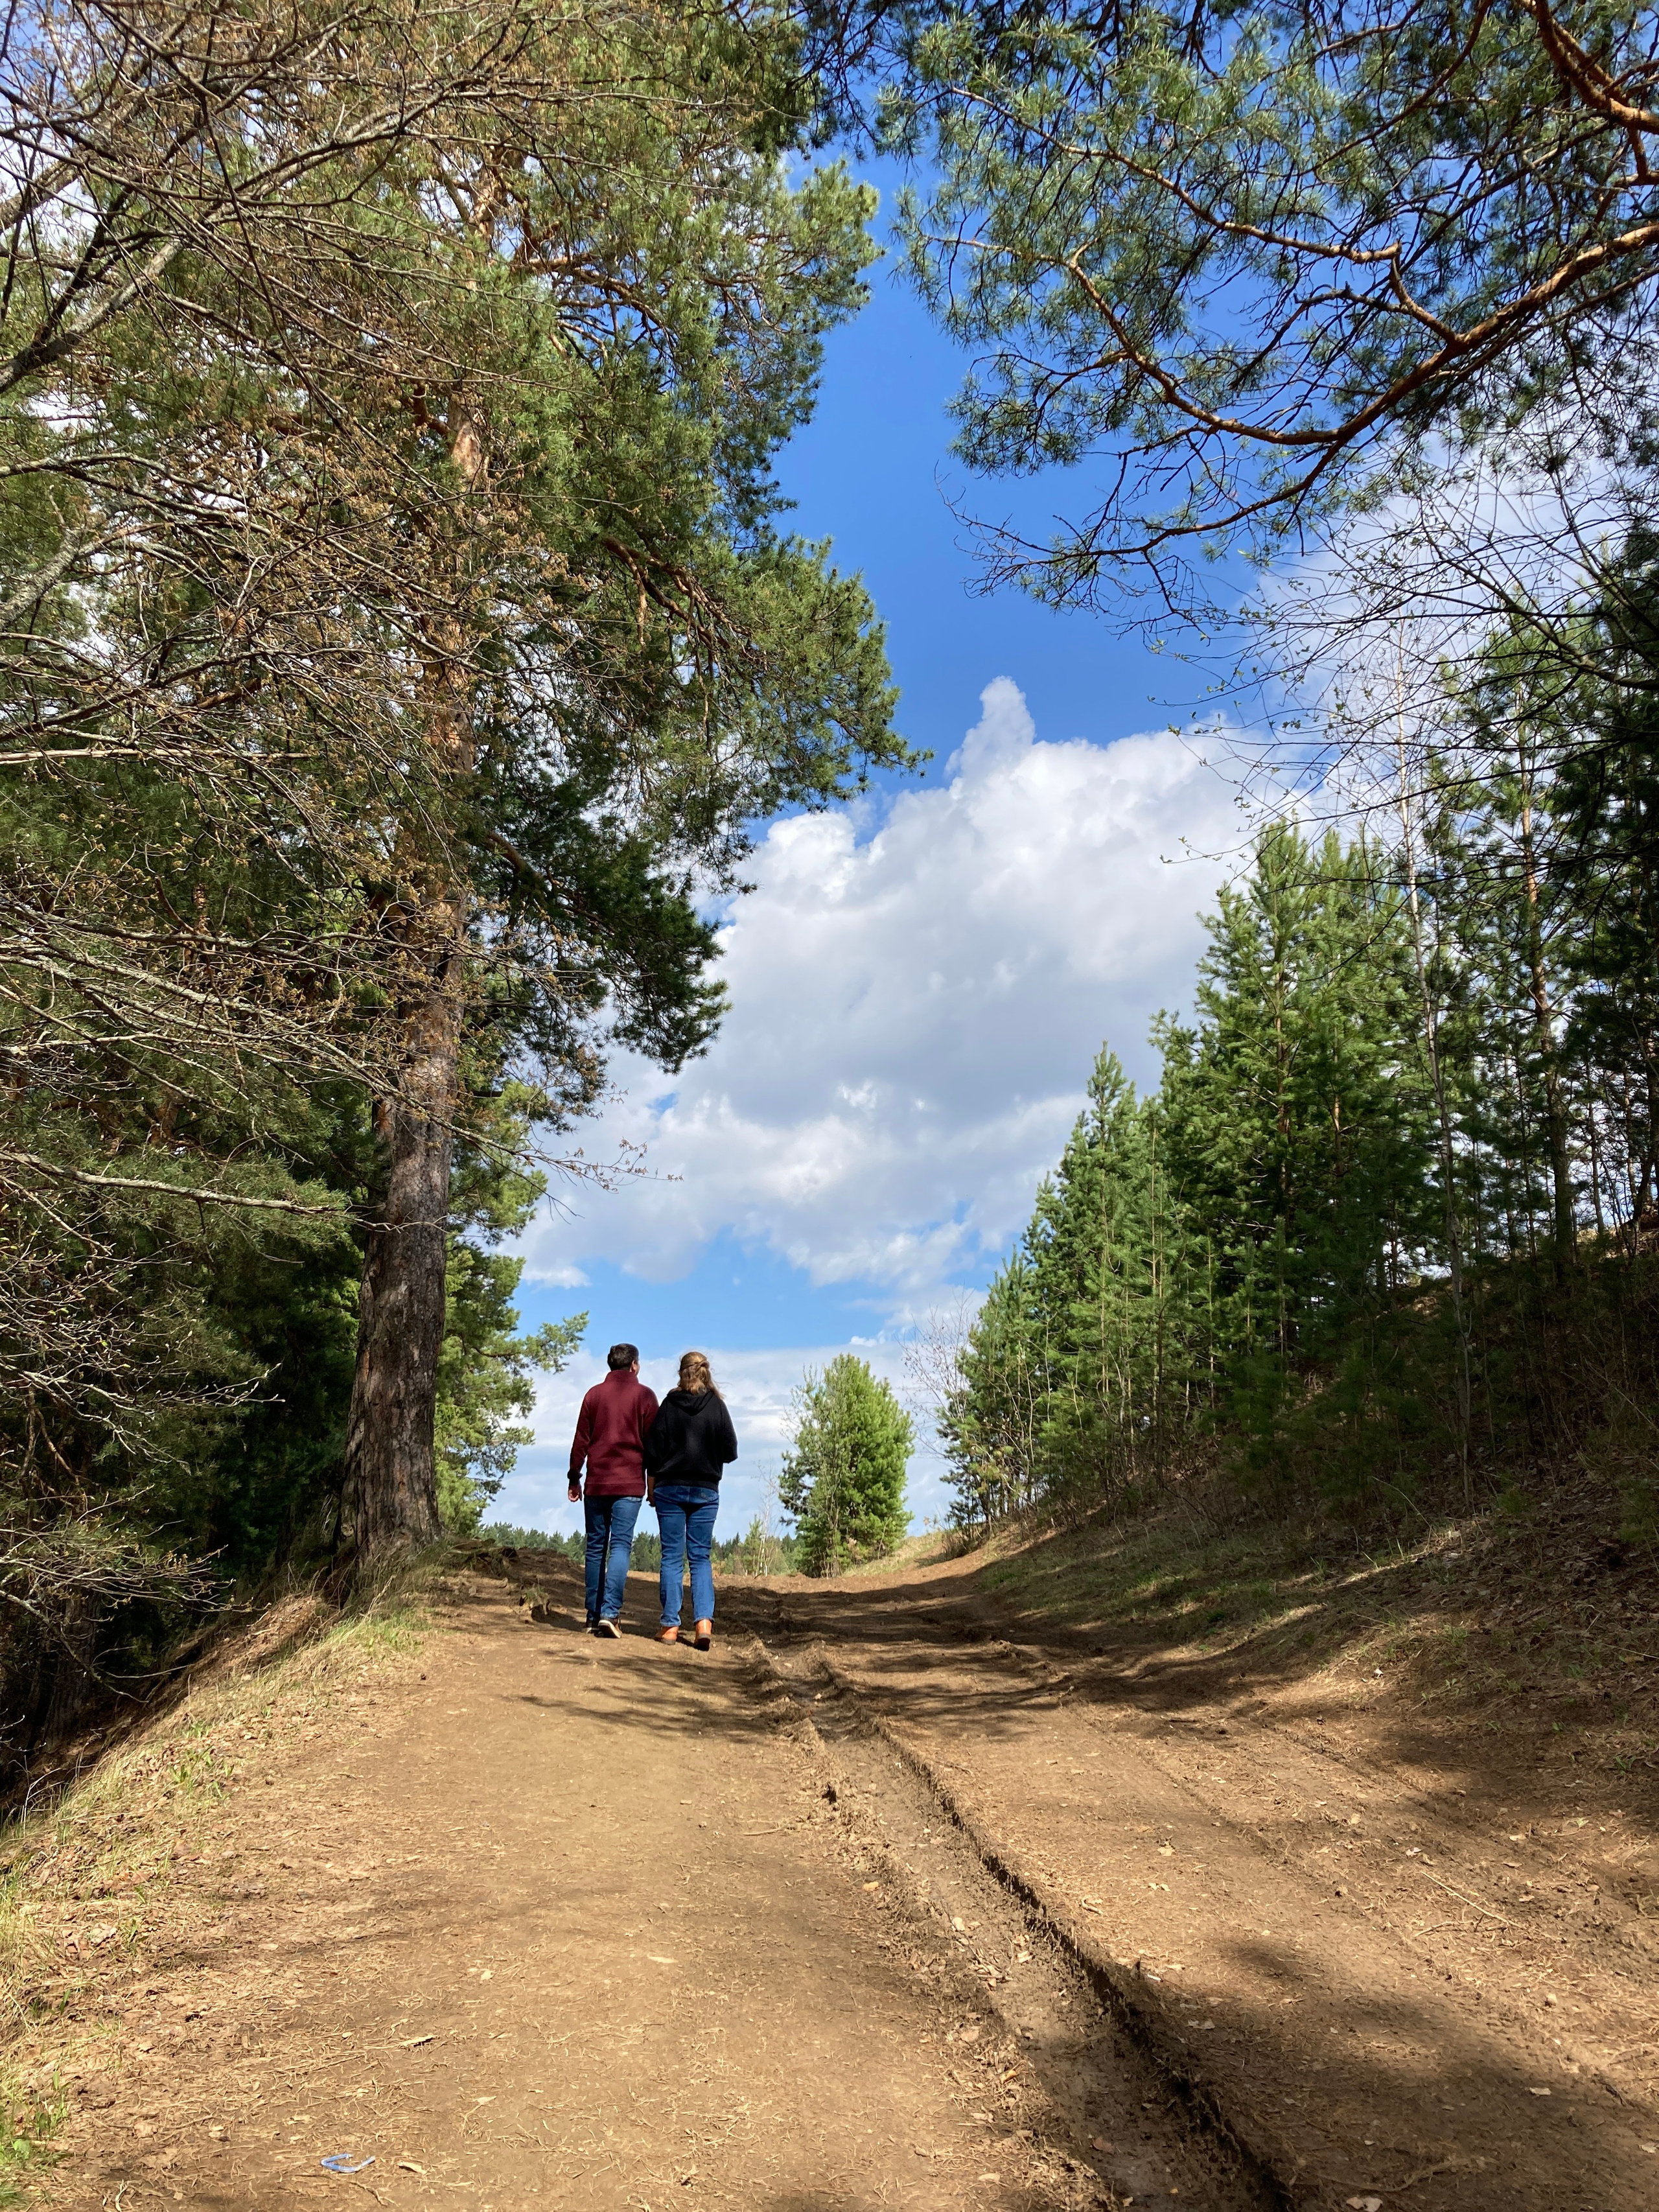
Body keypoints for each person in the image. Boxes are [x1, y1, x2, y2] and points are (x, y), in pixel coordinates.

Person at [644, 1351, 737, 1650]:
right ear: (705, 1372)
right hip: (706, 1491)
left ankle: (670, 1626)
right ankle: (703, 1625)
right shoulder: (717, 1407)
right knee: (700, 1558)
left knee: (671, 1556)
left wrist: (651, 1486)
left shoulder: (669, 1405)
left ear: (681, 1373)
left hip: (670, 1489)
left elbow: (653, 1452)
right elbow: (730, 1451)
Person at [567, 1343, 658, 1637]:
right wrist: (652, 1481)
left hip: (596, 1483)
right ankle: (610, 1614)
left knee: (595, 1548)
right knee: (620, 1546)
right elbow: (654, 1446)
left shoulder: (593, 1395)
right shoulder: (645, 1396)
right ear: (634, 1365)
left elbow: (581, 1440)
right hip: (629, 1483)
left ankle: (592, 1616)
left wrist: (574, 1477)